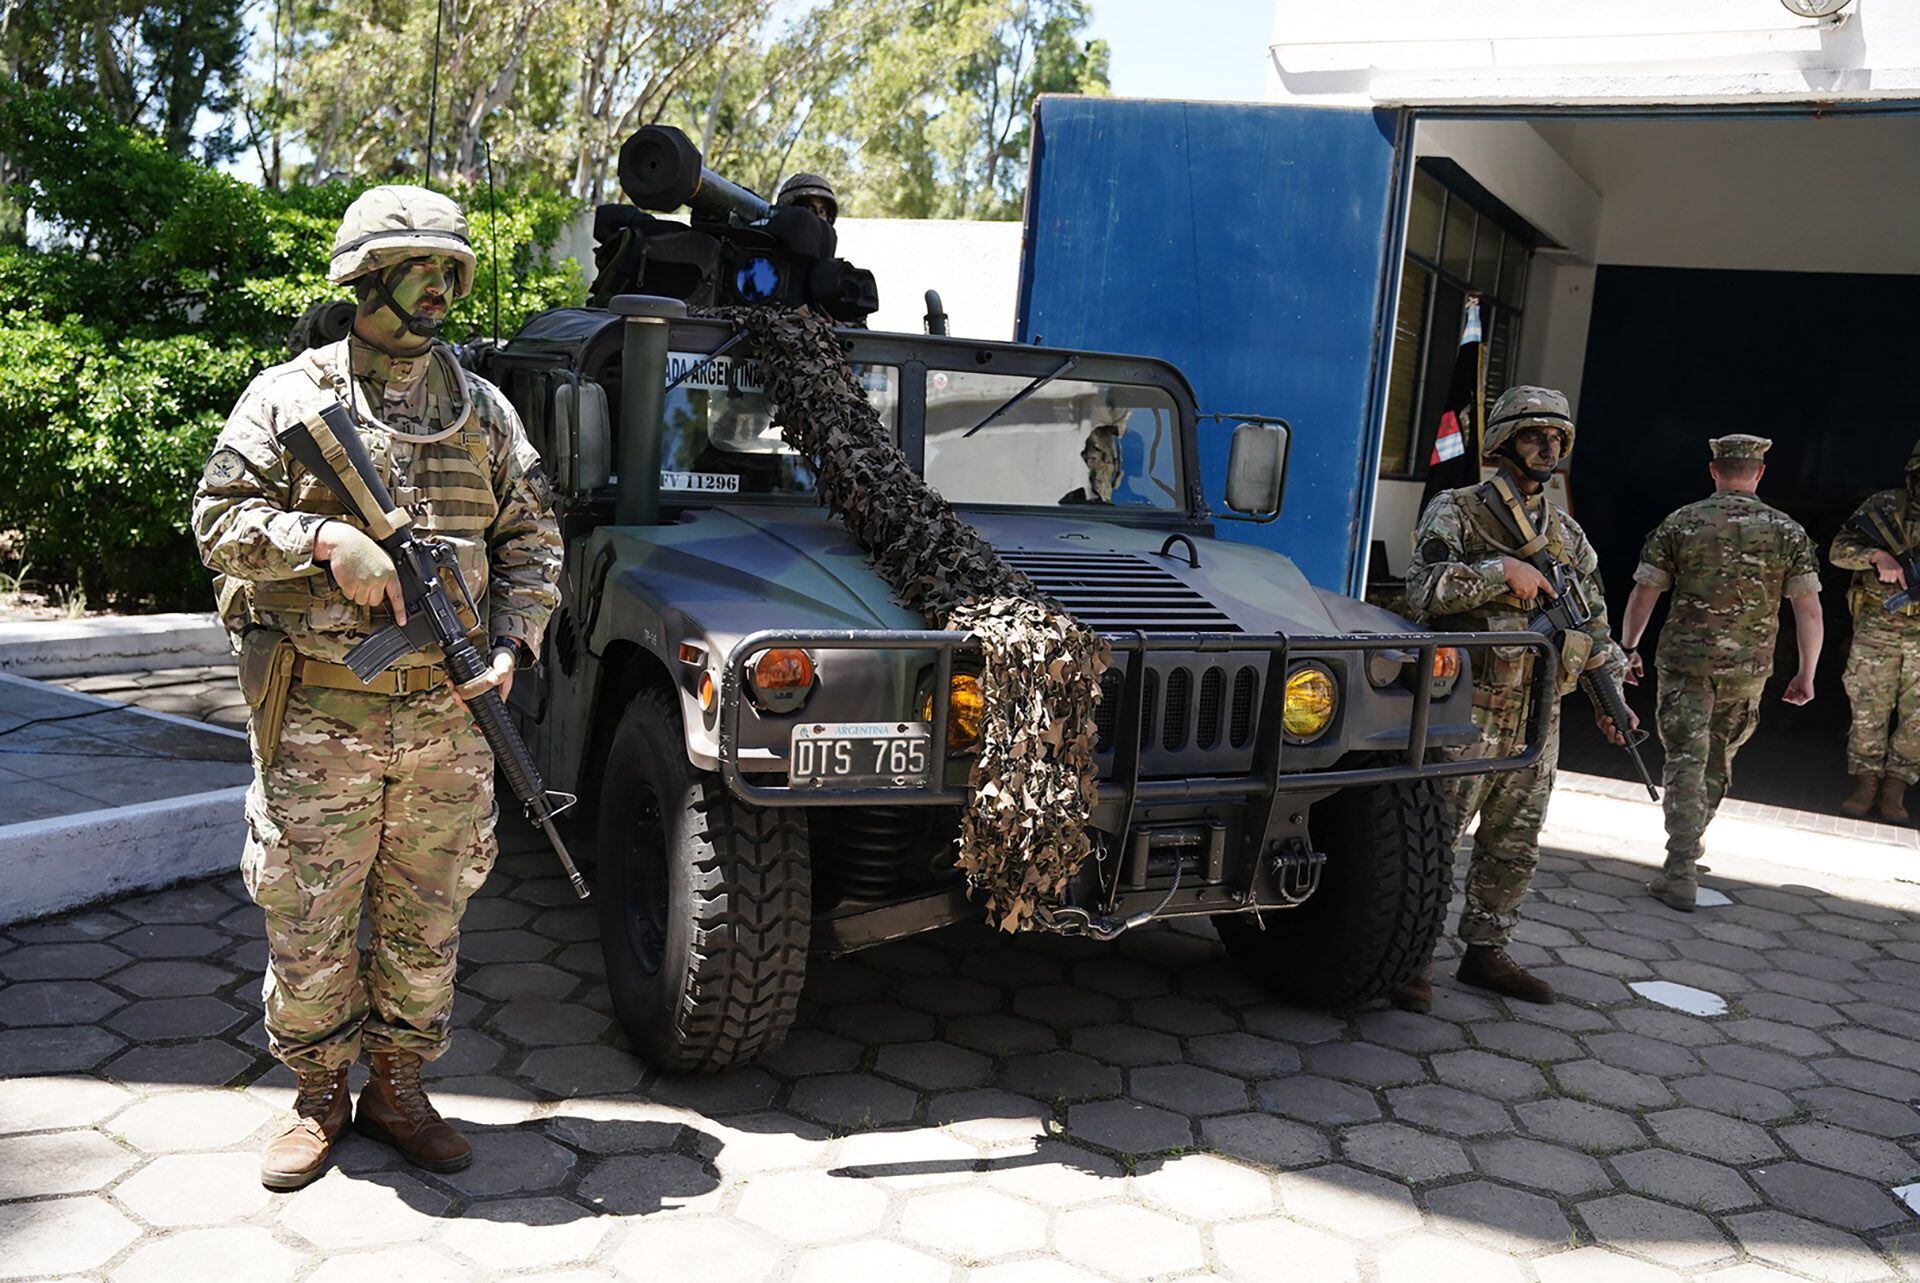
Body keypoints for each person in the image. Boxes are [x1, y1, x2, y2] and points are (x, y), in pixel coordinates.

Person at [192, 185, 561, 1190]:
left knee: (428, 914)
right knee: (307, 917)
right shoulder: (289, 398)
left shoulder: (482, 410)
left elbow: (531, 538)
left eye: (453, 269)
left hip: (450, 717)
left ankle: (397, 1084)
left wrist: (515, 646)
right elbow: (217, 518)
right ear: (366, 278)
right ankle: (319, 1094)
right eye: (422, 268)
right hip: (321, 712)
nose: (442, 286)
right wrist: (324, 539)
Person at [1396, 386, 1634, 1010]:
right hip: (1465, 709)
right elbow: (1420, 591)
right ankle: (1411, 957)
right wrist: (1500, 574)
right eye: (1534, 435)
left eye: (1557, 438)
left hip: (1538, 711)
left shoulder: (1569, 536)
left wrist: (1615, 702)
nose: (1548, 448)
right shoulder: (1459, 510)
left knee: (1515, 840)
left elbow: (1596, 624)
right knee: (1436, 836)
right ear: (1504, 443)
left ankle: (1486, 951)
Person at [1618, 434, 1821, 911]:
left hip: (1686, 663)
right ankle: (1688, 851)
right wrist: (1807, 673)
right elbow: (1808, 611)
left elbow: (1645, 594)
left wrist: (1628, 648)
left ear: (1713, 470)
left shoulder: (1683, 522)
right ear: (1759, 473)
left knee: (1686, 757)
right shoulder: (1787, 531)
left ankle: (1681, 864)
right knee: (1716, 759)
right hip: (1747, 669)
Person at [1830, 438, 1920, 822]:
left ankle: (1896, 788)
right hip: (1878, 629)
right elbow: (1837, 550)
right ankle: (1866, 784)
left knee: (1918, 717)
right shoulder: (1885, 507)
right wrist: (1876, 555)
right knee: (1868, 708)